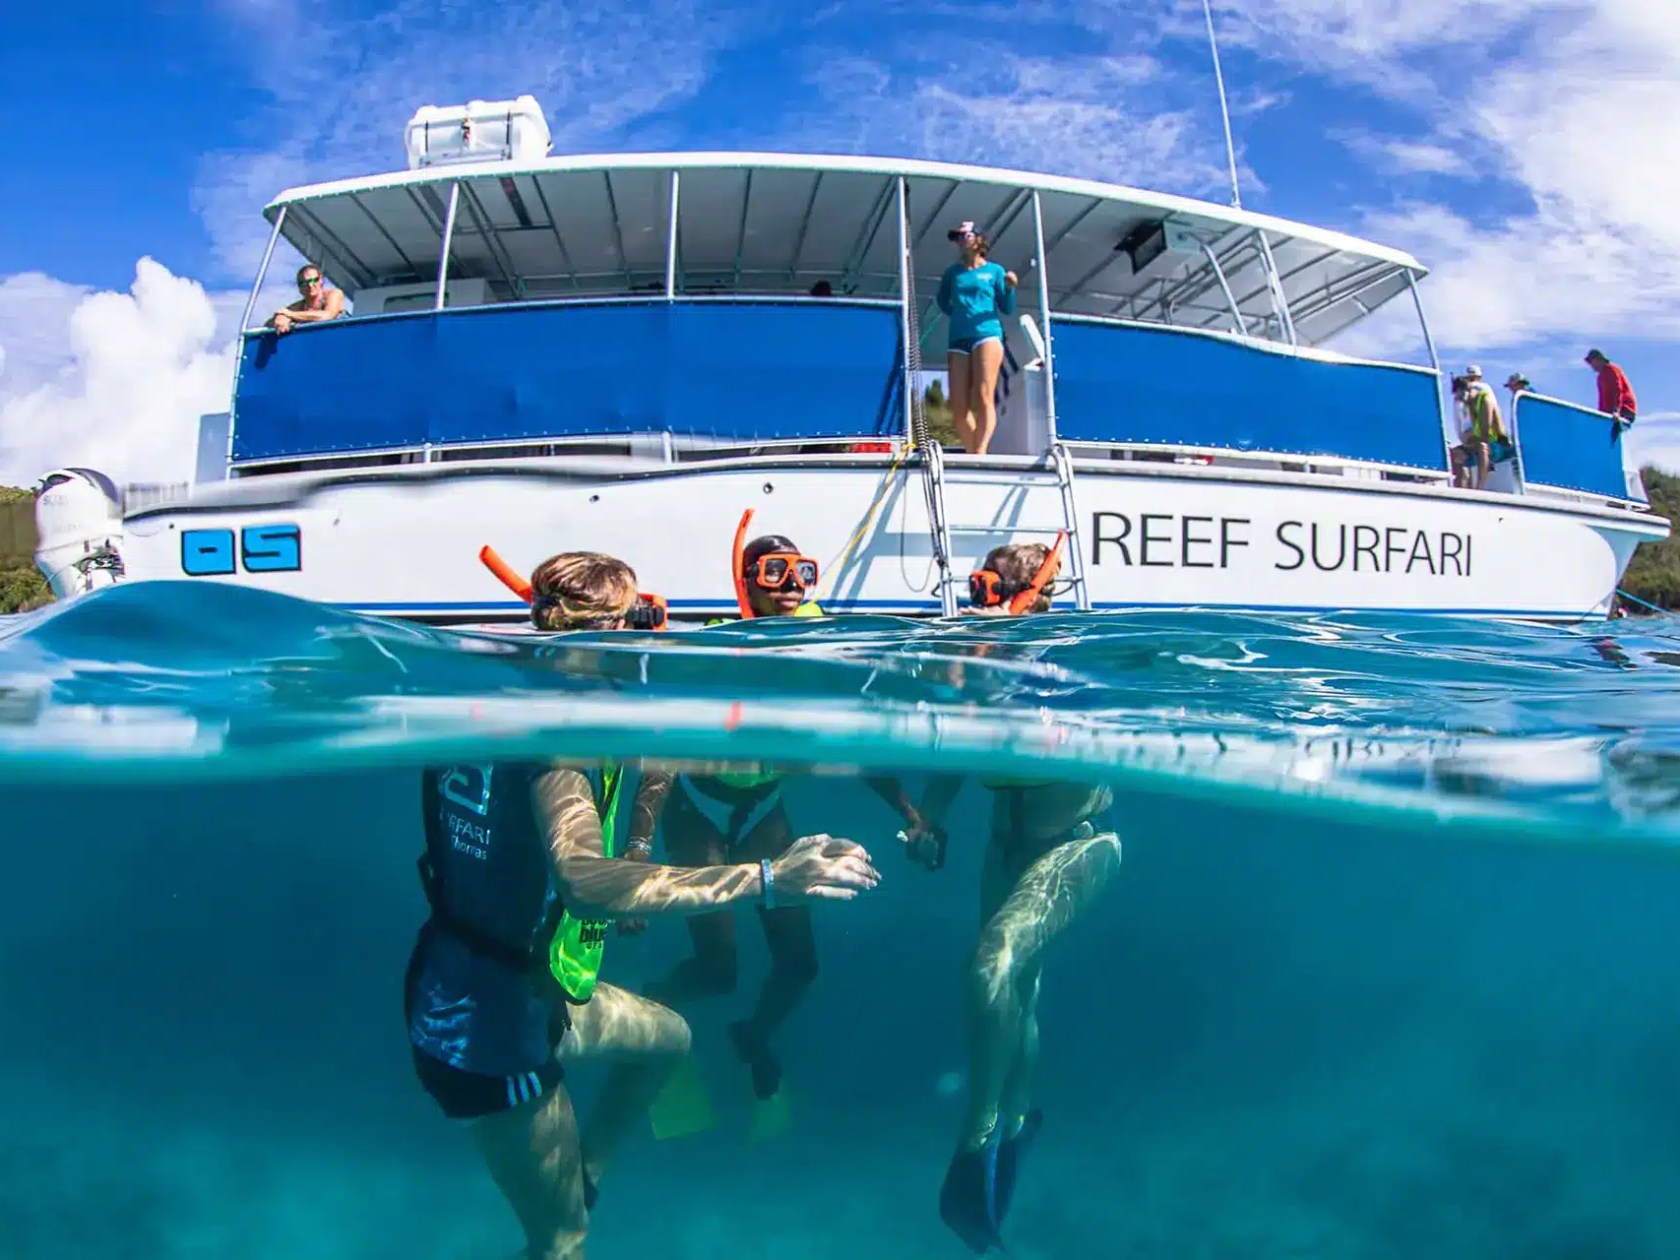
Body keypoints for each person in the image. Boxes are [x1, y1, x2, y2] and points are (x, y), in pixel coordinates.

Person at [405, 550, 880, 1260]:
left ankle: (583, 1175)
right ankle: (568, 1211)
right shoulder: (561, 740)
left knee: (670, 1040)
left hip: (518, 983)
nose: (656, 632)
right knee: (562, 1242)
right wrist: (767, 879)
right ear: (615, 627)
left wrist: (638, 844)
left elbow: (640, 767)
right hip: (483, 1030)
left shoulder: (502, 696)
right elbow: (579, 880)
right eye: (645, 617)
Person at [641, 525, 931, 1116]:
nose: (792, 587)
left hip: (765, 810)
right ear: (746, 583)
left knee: (800, 966)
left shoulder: (818, 642)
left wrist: (911, 812)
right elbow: (663, 743)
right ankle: (654, 1014)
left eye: (803, 573)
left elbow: (853, 745)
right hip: (699, 809)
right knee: (719, 971)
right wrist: (640, 843)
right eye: (775, 573)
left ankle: (753, 1037)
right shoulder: (721, 646)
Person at [910, 540, 1124, 1254]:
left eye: (1003, 589)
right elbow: (963, 754)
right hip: (1002, 848)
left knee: (992, 963)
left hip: (1080, 846)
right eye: (985, 590)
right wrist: (928, 816)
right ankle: (1020, 1125)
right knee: (1018, 993)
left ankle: (974, 1144)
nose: (990, 602)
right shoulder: (973, 663)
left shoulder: (1072, 657)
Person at [937, 222, 1019, 456]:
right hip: (958, 339)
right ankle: (974, 452)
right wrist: (961, 314)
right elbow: (943, 302)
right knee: (958, 407)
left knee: (984, 395)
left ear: (979, 240)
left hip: (987, 335)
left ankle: (979, 453)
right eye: (958, 236)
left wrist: (1010, 288)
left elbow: (1007, 307)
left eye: (966, 235)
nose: (961, 240)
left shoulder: (995, 271)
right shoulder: (952, 273)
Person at [1453, 367, 1506, 490]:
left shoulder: (1484, 398)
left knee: (1482, 447)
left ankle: (1480, 487)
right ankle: (1462, 490)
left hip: (1489, 441)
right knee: (1457, 454)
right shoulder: (1463, 403)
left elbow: (1486, 430)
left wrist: (1469, 436)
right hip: (1471, 440)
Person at [268, 263, 345, 335]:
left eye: (314, 280)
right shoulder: (299, 306)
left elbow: (327, 316)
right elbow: (269, 323)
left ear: (321, 280)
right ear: (300, 288)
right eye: (305, 283)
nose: (310, 285)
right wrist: (281, 317)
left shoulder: (334, 294)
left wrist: (290, 315)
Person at [1585, 348, 1638, 427]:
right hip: (1611, 413)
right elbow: (1602, 399)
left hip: (1625, 409)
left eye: (1592, 362)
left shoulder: (1611, 369)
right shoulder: (1600, 377)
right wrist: (1600, 415)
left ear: (1599, 360)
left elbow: (1617, 390)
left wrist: (1616, 411)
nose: (1591, 365)